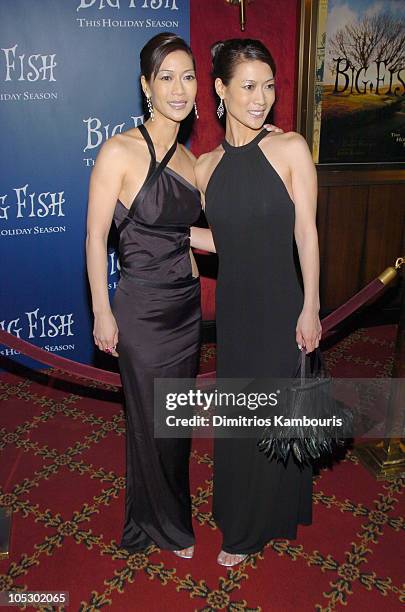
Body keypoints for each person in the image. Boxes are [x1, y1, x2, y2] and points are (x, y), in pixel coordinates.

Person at [192, 39, 322, 567]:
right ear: (220, 91)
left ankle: (255, 528)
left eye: (268, 86)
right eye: (247, 86)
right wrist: (177, 238)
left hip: (282, 305)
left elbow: (306, 236)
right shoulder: (204, 167)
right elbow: (227, 240)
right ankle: (244, 518)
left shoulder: (291, 149)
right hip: (237, 309)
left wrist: (311, 305)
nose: (261, 98)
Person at [86, 33, 202, 559]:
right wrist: (102, 312)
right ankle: (159, 527)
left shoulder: (192, 161)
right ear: (145, 86)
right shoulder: (119, 151)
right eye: (166, 77)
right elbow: (94, 238)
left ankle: (169, 516)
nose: (178, 88)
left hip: (186, 308)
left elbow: (183, 235)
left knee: (175, 426)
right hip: (142, 310)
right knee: (149, 424)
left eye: (187, 76)